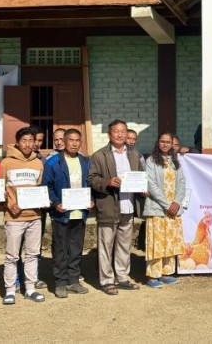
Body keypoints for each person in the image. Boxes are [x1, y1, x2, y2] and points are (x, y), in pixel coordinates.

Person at [88, 120, 143, 295]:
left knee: (125, 245)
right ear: (109, 135)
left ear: (127, 134)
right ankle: (106, 280)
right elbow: (92, 179)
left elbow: (141, 176)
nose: (120, 135)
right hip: (109, 206)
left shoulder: (134, 155)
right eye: (116, 131)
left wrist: (142, 186)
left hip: (128, 206)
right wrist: (108, 182)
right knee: (106, 246)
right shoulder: (99, 155)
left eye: (123, 131)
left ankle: (122, 277)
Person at [43, 129, 93, 299]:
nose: (74, 143)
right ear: (64, 141)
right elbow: (47, 187)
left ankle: (73, 280)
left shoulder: (85, 161)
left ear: (80, 142)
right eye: (70, 140)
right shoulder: (53, 163)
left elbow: (90, 184)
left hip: (80, 212)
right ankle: (60, 282)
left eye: (77, 140)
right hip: (62, 214)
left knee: (76, 248)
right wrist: (56, 203)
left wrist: (91, 199)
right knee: (61, 249)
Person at [1, 127, 46, 304]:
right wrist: (9, 205)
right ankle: (10, 290)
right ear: (18, 142)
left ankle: (30, 288)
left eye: (31, 141)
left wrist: (42, 201)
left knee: (32, 254)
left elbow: (41, 188)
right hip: (14, 218)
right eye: (24, 141)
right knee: (12, 255)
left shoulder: (38, 164)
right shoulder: (6, 162)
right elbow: (0, 188)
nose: (27, 144)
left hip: (35, 217)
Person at [143, 132, 187, 288]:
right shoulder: (151, 161)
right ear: (158, 143)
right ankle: (153, 275)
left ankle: (166, 272)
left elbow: (182, 183)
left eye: (168, 142)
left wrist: (176, 202)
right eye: (162, 141)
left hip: (173, 209)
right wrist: (167, 205)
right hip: (157, 208)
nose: (165, 144)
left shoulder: (175, 162)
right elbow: (151, 185)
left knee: (170, 241)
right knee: (157, 242)